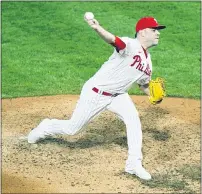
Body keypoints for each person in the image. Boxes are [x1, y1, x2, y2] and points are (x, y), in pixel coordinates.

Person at [27, 14, 166, 180]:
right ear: (142, 32)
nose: (158, 33)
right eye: (154, 30)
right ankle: (46, 127)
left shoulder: (148, 61)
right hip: (96, 93)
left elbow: (143, 84)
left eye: (157, 30)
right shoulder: (130, 44)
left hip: (118, 95)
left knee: (133, 120)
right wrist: (97, 27)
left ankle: (133, 164)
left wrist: (153, 95)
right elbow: (114, 40)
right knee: (72, 129)